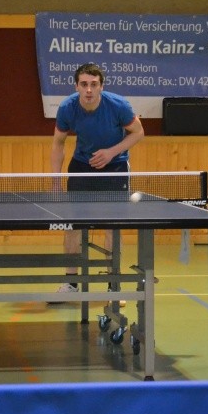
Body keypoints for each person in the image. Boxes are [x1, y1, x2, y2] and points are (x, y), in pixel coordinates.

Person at [50, 62, 145, 300]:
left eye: (94, 84)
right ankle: (71, 283)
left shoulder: (118, 105)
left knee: (112, 227)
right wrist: (55, 181)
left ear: (102, 86)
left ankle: (114, 286)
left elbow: (138, 132)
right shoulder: (67, 108)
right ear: (76, 86)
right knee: (72, 227)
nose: (89, 90)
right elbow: (58, 143)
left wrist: (111, 152)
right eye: (84, 84)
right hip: (81, 167)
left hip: (115, 168)